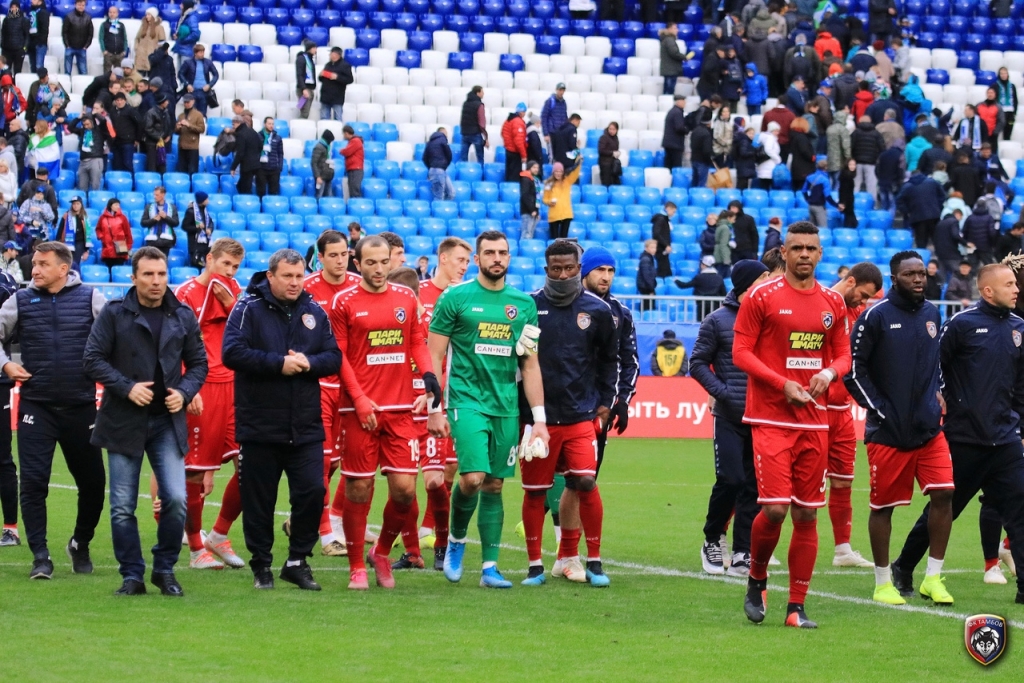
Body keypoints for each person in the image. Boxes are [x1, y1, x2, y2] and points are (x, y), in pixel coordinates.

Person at [732, 221, 851, 629]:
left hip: (815, 421)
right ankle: (757, 576)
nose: (804, 254)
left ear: (820, 253)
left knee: (806, 514)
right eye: (796, 247)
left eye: (811, 248)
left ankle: (796, 607)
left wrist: (830, 375)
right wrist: (782, 383)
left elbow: (842, 356)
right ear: (784, 252)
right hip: (770, 417)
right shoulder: (761, 296)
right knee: (776, 509)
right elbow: (741, 352)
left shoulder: (832, 302)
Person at [83, 246, 207, 597]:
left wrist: (183, 391)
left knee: (176, 499)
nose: (156, 281)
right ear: (133, 277)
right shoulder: (113, 313)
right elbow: (91, 359)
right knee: (122, 505)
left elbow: (200, 364)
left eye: (162, 274)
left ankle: (164, 569)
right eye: (149, 274)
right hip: (123, 420)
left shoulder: (183, 315)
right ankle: (131, 575)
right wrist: (126, 387)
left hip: (167, 421)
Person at [428, 230, 548, 588]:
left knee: (494, 485)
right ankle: (455, 540)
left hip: (506, 406)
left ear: (509, 258)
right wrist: (436, 406)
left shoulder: (523, 304)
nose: (497, 258)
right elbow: (434, 353)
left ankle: (489, 568)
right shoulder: (455, 298)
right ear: (477, 259)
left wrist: (539, 420)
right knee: (472, 478)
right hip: (466, 400)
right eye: (489, 253)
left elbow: (529, 364)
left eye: (503, 253)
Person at [222, 249, 341, 591]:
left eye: (299, 276)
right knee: (259, 500)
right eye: (287, 276)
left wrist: (307, 363)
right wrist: (279, 364)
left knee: (313, 491)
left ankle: (297, 561)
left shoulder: (314, 311)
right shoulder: (247, 308)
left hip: (305, 423)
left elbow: (333, 357)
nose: (294, 283)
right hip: (259, 423)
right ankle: (262, 566)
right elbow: (231, 352)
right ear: (270, 276)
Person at [328, 236, 441, 590]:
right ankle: (355, 567)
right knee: (359, 487)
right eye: (371, 263)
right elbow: (339, 356)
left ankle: (381, 551)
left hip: (401, 409)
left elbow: (416, 343)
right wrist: (360, 399)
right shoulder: (343, 302)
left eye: (383, 262)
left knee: (405, 491)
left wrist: (428, 376)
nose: (378, 269)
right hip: (360, 410)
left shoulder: (406, 297)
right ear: (356, 264)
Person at [842, 251, 954, 605]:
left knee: (945, 494)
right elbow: (854, 371)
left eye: (922, 273)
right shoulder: (875, 316)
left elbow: (936, 364)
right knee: (883, 507)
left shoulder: (933, 314)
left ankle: (932, 578)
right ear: (895, 278)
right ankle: (882, 582)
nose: (919, 279)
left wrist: (939, 394)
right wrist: (881, 410)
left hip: (928, 429)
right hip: (888, 433)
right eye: (910, 274)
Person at [0, 241, 107, 579]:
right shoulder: (19, 300)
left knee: (92, 483)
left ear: (63, 268)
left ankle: (81, 542)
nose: (35, 270)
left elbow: (117, 337)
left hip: (81, 407)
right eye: (34, 263)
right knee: (33, 483)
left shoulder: (92, 298)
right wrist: (5, 364)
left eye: (43, 264)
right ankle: (40, 556)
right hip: (37, 406)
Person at [518, 241, 617, 587]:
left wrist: (605, 404)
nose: (562, 275)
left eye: (569, 268)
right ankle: (534, 566)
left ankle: (594, 561)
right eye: (555, 269)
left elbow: (608, 362)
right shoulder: (529, 307)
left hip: (580, 417)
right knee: (534, 491)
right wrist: (524, 419)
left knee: (585, 481)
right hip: (538, 420)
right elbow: (520, 364)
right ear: (546, 270)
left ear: (579, 268)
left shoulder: (598, 310)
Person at [391, 237, 471, 569]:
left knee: (438, 479)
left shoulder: (459, 300)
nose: (464, 266)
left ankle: (440, 541)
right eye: (460, 260)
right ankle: (412, 550)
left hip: (438, 402)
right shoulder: (414, 292)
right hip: (401, 406)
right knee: (404, 484)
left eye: (468, 261)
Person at [690, 259, 770, 576]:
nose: (768, 283)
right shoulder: (717, 321)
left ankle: (742, 552)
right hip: (729, 415)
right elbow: (696, 363)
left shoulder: (773, 319)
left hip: (765, 416)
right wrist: (723, 392)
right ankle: (712, 538)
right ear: (745, 284)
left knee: (754, 486)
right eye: (763, 278)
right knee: (731, 479)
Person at [173, 238, 247, 571]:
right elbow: (175, 344)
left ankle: (218, 534)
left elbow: (252, 334)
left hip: (236, 386)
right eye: (225, 264)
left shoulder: (235, 291)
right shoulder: (186, 294)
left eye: (234, 267)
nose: (229, 272)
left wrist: (232, 305)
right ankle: (194, 549)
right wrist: (188, 387)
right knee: (195, 471)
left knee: (251, 467)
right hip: (203, 387)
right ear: (208, 260)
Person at [301, 230, 361, 557]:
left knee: (343, 461)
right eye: (333, 255)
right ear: (320, 257)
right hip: (318, 385)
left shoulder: (358, 285)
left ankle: (325, 519)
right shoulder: (307, 289)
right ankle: (326, 534)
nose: (340, 260)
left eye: (344, 254)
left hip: (351, 387)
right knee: (321, 460)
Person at [826, 263, 884, 570]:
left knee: (843, 481)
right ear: (850, 281)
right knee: (798, 485)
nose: (863, 301)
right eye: (862, 294)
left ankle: (843, 549)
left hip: (842, 412)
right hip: (813, 410)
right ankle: (757, 549)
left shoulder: (858, 314)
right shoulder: (821, 303)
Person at [897, 170, 946, 249]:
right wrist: (938, 206)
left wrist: (907, 211)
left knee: (921, 243)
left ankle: (922, 258)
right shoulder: (932, 182)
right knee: (937, 240)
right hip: (934, 215)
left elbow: (899, 200)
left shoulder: (907, 186)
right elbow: (943, 195)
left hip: (917, 217)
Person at [675, 255, 728, 320]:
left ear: (703, 265)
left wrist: (676, 280)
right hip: (715, 306)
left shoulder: (699, 277)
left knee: (701, 325)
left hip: (702, 305)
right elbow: (724, 294)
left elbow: (683, 285)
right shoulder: (719, 278)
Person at [543, 160, 582, 240]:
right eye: (556, 171)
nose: (558, 173)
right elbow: (545, 199)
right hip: (554, 215)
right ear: (553, 172)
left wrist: (579, 163)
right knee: (554, 239)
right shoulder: (549, 184)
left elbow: (575, 173)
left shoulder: (567, 181)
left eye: (560, 171)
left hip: (566, 214)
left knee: (564, 239)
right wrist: (549, 202)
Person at [177, 44, 218, 117]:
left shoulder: (208, 62)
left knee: (202, 114)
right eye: (200, 52)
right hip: (192, 92)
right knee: (191, 114)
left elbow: (216, 75)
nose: (202, 54)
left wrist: (210, 85)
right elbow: (180, 74)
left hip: (204, 92)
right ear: (195, 53)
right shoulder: (188, 62)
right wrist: (187, 84)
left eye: (203, 52)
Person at [55, 195, 92, 272]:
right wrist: (58, 243)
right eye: (74, 204)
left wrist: (87, 250)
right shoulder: (66, 215)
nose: (75, 206)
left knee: (75, 263)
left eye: (77, 204)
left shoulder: (85, 217)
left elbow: (87, 234)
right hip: (67, 243)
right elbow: (60, 230)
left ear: (81, 205)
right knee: (67, 263)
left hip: (80, 244)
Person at [851, 116, 884, 200]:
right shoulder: (876, 133)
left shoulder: (856, 132)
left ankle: (854, 203)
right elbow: (882, 148)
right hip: (871, 162)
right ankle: (872, 205)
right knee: (871, 186)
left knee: (855, 185)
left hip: (857, 162)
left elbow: (850, 146)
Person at [95, 198, 132, 270]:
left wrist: (128, 246)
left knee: (119, 268)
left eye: (118, 205)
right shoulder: (102, 218)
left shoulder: (123, 218)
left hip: (120, 245)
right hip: (107, 246)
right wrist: (102, 237)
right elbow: (98, 229)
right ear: (110, 206)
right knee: (109, 267)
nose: (118, 207)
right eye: (116, 205)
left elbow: (128, 232)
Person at [141, 186, 178, 256]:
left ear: (163, 195)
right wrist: (154, 220)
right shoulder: (149, 207)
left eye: (157, 195)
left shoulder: (172, 207)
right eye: (154, 195)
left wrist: (166, 217)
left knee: (163, 264)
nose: (155, 197)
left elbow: (176, 223)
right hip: (152, 242)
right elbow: (143, 223)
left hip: (166, 242)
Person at [319, 47, 353, 122]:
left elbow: (350, 79)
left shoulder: (345, 65)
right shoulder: (328, 65)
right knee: (324, 118)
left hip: (337, 97)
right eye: (330, 54)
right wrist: (321, 75)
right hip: (325, 96)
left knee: (338, 118)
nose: (331, 55)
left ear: (338, 55)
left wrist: (337, 77)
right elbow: (321, 79)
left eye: (332, 54)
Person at [180, 191, 213, 268]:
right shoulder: (191, 211)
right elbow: (184, 226)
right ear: (202, 200)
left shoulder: (205, 211)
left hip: (206, 245)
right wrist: (197, 228)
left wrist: (210, 229)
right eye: (206, 199)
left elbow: (211, 223)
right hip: (195, 245)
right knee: (196, 266)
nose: (208, 201)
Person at [231, 114, 262, 195]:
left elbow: (240, 153)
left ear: (238, 123)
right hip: (256, 164)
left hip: (246, 165)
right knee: (242, 186)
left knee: (245, 188)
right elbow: (260, 146)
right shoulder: (253, 131)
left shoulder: (241, 134)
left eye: (233, 124)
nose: (233, 127)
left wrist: (233, 167)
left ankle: (246, 204)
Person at [173, 94, 204, 175]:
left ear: (193, 101)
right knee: (182, 170)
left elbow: (201, 129)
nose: (186, 104)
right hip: (182, 145)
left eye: (188, 102)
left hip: (192, 146)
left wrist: (189, 125)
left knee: (192, 170)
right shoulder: (181, 116)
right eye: (185, 102)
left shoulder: (198, 115)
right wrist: (178, 127)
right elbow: (176, 131)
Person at [109, 92, 140, 173]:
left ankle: (131, 183)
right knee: (117, 164)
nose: (119, 102)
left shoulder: (131, 110)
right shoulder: (112, 111)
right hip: (116, 142)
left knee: (127, 164)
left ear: (125, 100)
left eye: (121, 100)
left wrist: (137, 139)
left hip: (128, 141)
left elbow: (140, 124)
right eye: (117, 100)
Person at [803, 159, 839, 227]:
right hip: (819, 207)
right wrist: (836, 205)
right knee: (823, 228)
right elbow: (827, 196)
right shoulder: (825, 180)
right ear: (825, 168)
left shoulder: (809, 177)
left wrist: (808, 200)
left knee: (811, 229)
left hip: (810, 206)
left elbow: (804, 191)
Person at [142, 92, 172, 173]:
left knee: (162, 165)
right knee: (152, 165)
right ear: (162, 102)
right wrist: (159, 137)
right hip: (152, 143)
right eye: (166, 101)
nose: (167, 102)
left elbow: (168, 125)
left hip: (162, 143)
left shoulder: (166, 112)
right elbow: (148, 128)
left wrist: (169, 135)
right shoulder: (151, 113)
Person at [254, 117, 283, 198]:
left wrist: (279, 166)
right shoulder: (258, 136)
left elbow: (280, 153)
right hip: (261, 168)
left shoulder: (278, 138)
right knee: (260, 191)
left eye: (272, 124)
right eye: (269, 124)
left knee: (273, 192)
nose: (271, 126)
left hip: (274, 169)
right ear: (265, 124)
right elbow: (255, 152)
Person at [459, 86, 488, 165]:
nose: (483, 94)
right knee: (480, 157)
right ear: (477, 93)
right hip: (475, 133)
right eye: (482, 92)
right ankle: (481, 174)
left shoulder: (465, 103)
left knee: (463, 157)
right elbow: (482, 122)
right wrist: (486, 137)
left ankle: (463, 173)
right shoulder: (479, 105)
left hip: (465, 133)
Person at [424, 127, 453, 201]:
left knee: (451, 193)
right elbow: (449, 155)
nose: (447, 135)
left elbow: (425, 158)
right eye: (446, 133)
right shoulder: (443, 140)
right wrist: (444, 165)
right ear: (442, 133)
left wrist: (431, 167)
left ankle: (444, 210)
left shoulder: (429, 143)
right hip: (440, 170)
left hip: (434, 170)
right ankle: (439, 211)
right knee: (439, 197)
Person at [501, 103, 527, 182]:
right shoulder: (518, 122)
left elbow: (503, 133)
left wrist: (508, 143)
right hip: (515, 152)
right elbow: (518, 141)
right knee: (514, 176)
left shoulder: (508, 120)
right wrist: (523, 155)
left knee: (509, 173)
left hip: (508, 150)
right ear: (522, 112)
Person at [133, 7, 164, 76]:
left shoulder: (159, 27)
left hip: (152, 55)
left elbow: (162, 42)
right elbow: (137, 38)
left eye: (149, 14)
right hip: (140, 55)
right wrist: (137, 48)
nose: (147, 16)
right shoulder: (143, 26)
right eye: (146, 14)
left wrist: (157, 52)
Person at [98, 6, 127, 74]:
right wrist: (104, 50)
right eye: (110, 12)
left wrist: (124, 51)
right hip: (108, 53)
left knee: (119, 74)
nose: (112, 14)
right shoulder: (104, 25)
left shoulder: (121, 25)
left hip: (119, 54)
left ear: (117, 14)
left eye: (114, 12)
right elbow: (101, 38)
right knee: (107, 74)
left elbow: (125, 38)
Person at [171, 0, 200, 66]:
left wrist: (182, 39)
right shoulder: (184, 16)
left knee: (185, 74)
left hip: (187, 51)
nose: (180, 6)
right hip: (180, 49)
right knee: (180, 73)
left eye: (182, 4)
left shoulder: (192, 18)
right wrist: (178, 35)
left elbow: (195, 34)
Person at [541, 83, 568, 155]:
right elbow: (544, 117)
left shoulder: (564, 103)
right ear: (556, 90)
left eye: (563, 90)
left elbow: (565, 117)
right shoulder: (550, 101)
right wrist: (546, 133)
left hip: (561, 134)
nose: (561, 92)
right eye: (560, 90)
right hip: (552, 133)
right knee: (552, 155)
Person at [660, 23, 686, 96]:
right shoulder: (669, 40)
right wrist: (684, 57)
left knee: (667, 91)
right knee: (669, 92)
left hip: (668, 69)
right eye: (675, 28)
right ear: (669, 29)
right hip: (671, 70)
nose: (677, 30)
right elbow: (674, 53)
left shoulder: (666, 39)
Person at [690, 110, 714, 188]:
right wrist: (709, 160)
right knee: (701, 183)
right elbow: (706, 151)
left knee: (694, 182)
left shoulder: (695, 131)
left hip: (694, 159)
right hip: (703, 161)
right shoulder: (706, 134)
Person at [651, 201, 675, 278]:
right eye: (673, 211)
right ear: (668, 209)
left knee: (667, 271)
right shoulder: (661, 219)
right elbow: (656, 234)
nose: (673, 214)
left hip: (663, 249)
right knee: (663, 271)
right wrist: (666, 245)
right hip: (661, 249)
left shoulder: (664, 219)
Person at [662, 95, 687, 169]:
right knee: (676, 166)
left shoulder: (672, 111)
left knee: (668, 165)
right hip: (675, 144)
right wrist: (687, 129)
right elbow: (679, 127)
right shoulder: (677, 113)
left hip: (669, 143)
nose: (685, 103)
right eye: (683, 101)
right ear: (679, 102)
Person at [755, 122, 782, 190]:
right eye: (776, 131)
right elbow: (768, 150)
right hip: (769, 167)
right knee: (766, 187)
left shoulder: (765, 137)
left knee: (764, 186)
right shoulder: (770, 138)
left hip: (764, 166)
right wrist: (778, 159)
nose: (777, 133)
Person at [338, 125, 363, 199]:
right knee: (352, 190)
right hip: (353, 168)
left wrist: (341, 151)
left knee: (355, 190)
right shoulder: (353, 141)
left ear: (346, 133)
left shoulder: (355, 141)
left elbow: (347, 151)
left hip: (356, 169)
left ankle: (357, 207)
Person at [295, 40, 317, 119]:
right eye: (314, 48)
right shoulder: (302, 58)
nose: (316, 50)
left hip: (309, 88)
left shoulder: (310, 59)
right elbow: (299, 75)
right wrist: (304, 89)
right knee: (305, 111)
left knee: (304, 109)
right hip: (304, 88)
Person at [309, 129, 334, 199]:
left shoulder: (327, 147)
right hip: (321, 176)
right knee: (319, 195)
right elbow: (313, 162)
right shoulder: (318, 147)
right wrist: (318, 176)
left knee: (328, 196)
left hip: (327, 175)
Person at [519, 161, 542, 239]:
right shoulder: (526, 179)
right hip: (528, 211)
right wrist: (532, 210)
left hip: (533, 211)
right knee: (526, 233)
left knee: (530, 233)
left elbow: (536, 197)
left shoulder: (535, 180)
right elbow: (525, 196)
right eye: (534, 167)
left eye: (537, 168)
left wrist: (537, 211)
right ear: (529, 168)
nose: (536, 169)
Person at [995, 67, 1017, 142]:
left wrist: (1014, 112)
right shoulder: (996, 85)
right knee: (998, 130)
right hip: (1001, 111)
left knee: (1008, 130)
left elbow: (1015, 99)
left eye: (1005, 73)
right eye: (1002, 73)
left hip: (1010, 112)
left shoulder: (1012, 86)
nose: (1003, 75)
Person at [636, 238, 658, 309]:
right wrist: (651, 289)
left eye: (655, 247)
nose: (654, 249)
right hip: (646, 288)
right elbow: (647, 276)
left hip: (646, 287)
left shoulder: (649, 258)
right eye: (652, 247)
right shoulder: (646, 259)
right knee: (647, 307)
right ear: (646, 248)